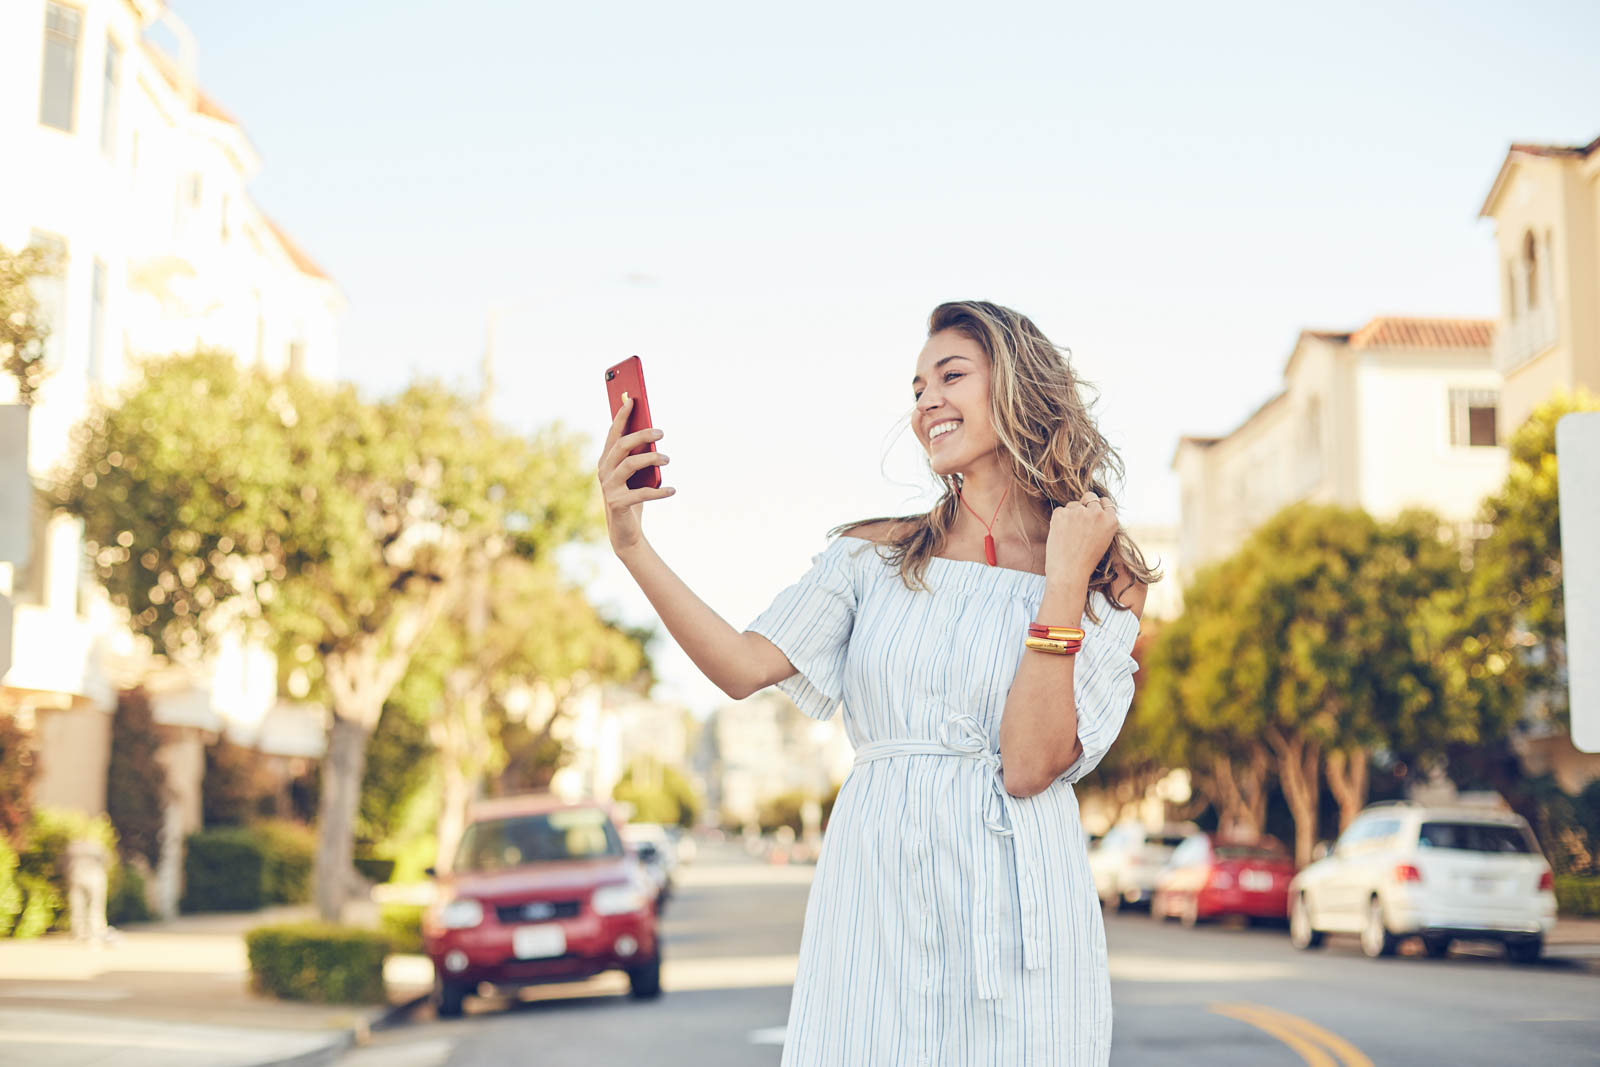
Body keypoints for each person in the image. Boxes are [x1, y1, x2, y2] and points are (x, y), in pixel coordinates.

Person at [597, 300, 1157, 1066]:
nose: (926, 400)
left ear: (1018, 386)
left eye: (951, 375)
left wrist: (1062, 579)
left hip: (1022, 905)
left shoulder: (1100, 575)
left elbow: (1030, 764)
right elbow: (739, 665)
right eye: (917, 385)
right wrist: (632, 545)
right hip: (880, 888)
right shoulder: (875, 558)